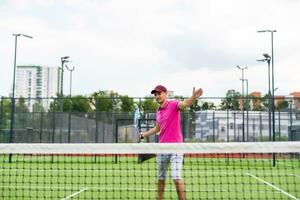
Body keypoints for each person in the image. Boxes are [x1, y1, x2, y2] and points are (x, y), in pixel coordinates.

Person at [140, 85, 203, 200]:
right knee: (161, 178)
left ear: (166, 93)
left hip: (176, 147)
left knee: (176, 177)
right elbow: (158, 128)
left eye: (159, 93)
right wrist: (145, 134)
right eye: (155, 94)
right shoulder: (158, 111)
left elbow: (185, 104)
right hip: (162, 148)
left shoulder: (173, 104)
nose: (157, 96)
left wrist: (193, 97)